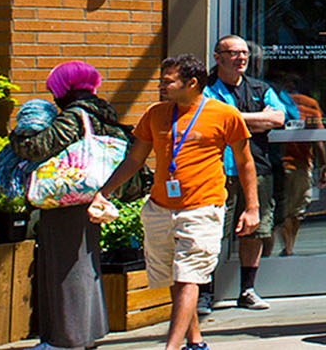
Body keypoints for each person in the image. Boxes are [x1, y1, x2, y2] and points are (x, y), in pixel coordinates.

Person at [90, 56, 258, 350]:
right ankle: (195, 340)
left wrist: (252, 208)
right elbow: (134, 160)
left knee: (188, 277)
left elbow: (245, 163)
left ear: (192, 83)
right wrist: (104, 192)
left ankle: (171, 347)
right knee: (173, 275)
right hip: (159, 208)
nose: (161, 85)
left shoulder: (224, 114)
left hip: (203, 207)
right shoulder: (156, 114)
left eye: (168, 81)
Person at [11, 62, 137, 350]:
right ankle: (85, 333)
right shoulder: (102, 112)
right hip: (93, 197)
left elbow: (36, 147)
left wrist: (19, 132)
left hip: (66, 200)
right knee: (84, 264)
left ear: (64, 88)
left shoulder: (74, 115)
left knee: (66, 267)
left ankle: (67, 340)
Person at [201, 35, 298, 312]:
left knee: (254, 231)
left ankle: (247, 290)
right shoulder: (205, 89)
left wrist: (232, 117)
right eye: (234, 53)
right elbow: (209, 120)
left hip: (257, 170)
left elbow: (278, 118)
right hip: (218, 171)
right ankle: (205, 294)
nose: (241, 58)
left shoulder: (260, 88)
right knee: (213, 233)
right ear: (218, 57)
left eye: (244, 53)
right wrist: (257, 120)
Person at [271, 74, 326, 258]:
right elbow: (319, 139)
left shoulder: (270, 101)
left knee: (277, 212)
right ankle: (288, 250)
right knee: (294, 211)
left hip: (274, 163)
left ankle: (278, 252)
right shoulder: (308, 104)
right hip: (298, 164)